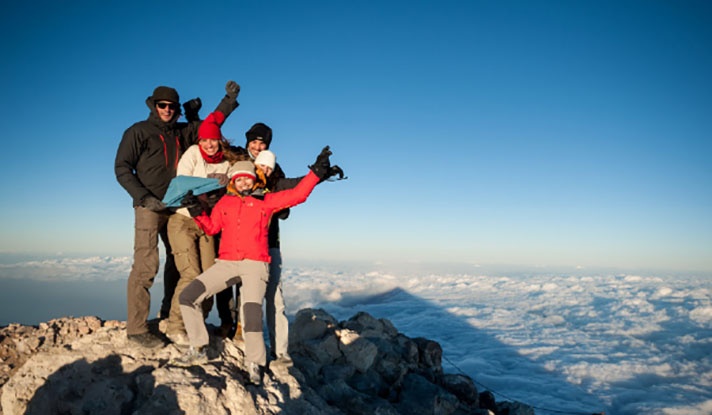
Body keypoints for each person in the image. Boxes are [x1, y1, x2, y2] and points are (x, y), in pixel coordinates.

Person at [171, 147, 337, 386]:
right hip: (227, 263)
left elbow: (298, 195)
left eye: (248, 179)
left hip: (255, 266)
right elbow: (211, 228)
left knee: (250, 315)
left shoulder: (265, 202)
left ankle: (254, 364)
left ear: (253, 181)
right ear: (233, 181)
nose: (244, 183)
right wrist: (197, 211)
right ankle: (199, 347)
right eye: (239, 179)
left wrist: (316, 173)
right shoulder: (225, 203)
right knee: (188, 296)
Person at [115, 81, 240, 348]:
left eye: (172, 106)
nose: (168, 110)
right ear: (154, 105)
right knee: (146, 265)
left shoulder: (182, 132)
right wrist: (144, 197)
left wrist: (228, 100)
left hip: (179, 207)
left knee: (177, 265)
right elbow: (122, 168)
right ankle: (136, 329)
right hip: (149, 206)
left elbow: (212, 126)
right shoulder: (138, 132)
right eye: (162, 105)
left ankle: (169, 316)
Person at [164, 110, 239, 346]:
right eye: (204, 140)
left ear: (220, 141)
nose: (208, 144)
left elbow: (237, 184)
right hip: (184, 220)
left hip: (207, 225)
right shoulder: (193, 153)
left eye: (213, 140)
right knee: (191, 274)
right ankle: (176, 326)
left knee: (211, 277)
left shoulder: (228, 163)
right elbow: (182, 183)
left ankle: (197, 322)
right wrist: (212, 185)